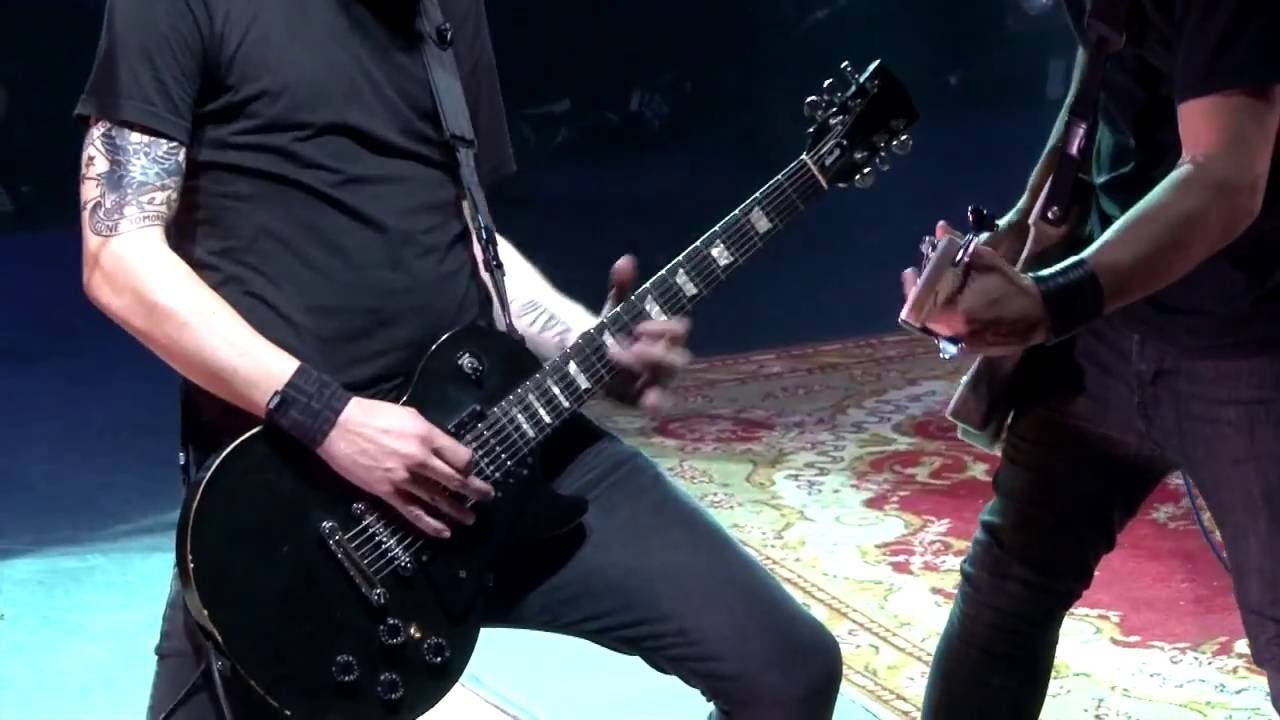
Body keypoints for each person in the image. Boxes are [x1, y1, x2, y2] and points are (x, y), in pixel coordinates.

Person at [75, 1, 843, 717]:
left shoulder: (444, 9)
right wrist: (331, 418)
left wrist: (582, 339)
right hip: (301, 501)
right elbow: (118, 257)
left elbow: (464, 225)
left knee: (788, 669)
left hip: (496, 439)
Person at [901, 1, 1279, 717]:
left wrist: (1051, 300)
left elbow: (1226, 172)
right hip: (1108, 326)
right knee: (1007, 588)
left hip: (1250, 341)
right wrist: (1025, 223)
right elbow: (1108, 51)